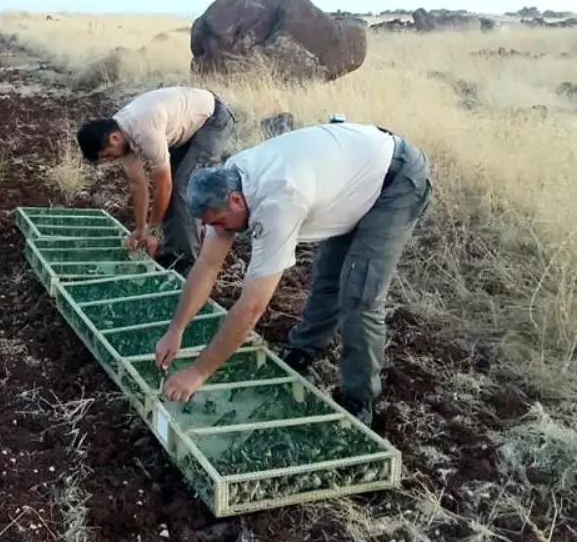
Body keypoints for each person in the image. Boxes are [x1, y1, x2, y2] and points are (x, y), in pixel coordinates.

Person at [152, 121, 432, 427]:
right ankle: (302, 351)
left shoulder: (278, 202)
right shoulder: (230, 180)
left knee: (359, 295)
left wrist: (198, 372)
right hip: (348, 177)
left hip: (395, 182)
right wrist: (176, 329)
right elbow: (206, 266)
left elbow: (252, 307)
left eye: (220, 222)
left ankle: (359, 398)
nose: (220, 231)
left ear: (234, 200)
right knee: (327, 276)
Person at [75, 85, 235, 270]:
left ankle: (185, 263)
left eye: (108, 155)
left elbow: (163, 185)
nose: (111, 160)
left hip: (212, 120)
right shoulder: (122, 136)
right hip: (184, 127)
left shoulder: (144, 129)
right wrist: (141, 228)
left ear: (114, 138)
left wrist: (153, 229)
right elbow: (137, 183)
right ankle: (171, 252)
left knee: (185, 187)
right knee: (174, 187)